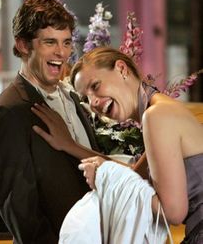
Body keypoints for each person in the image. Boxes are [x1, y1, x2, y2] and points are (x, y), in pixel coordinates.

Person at [32, 47, 203, 243]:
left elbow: (172, 213)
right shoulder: (161, 110)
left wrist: (105, 177)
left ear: (122, 69)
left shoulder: (157, 116)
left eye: (95, 86)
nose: (94, 102)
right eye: (86, 99)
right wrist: (70, 145)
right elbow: (135, 176)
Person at [0, 0, 105, 244]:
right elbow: (22, 214)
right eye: (50, 42)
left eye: (67, 42)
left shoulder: (73, 97)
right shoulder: (9, 112)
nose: (62, 52)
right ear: (24, 45)